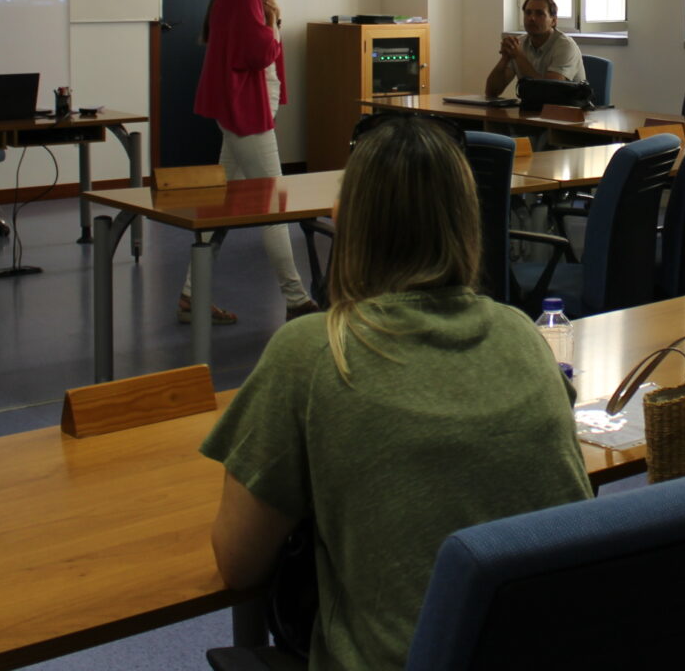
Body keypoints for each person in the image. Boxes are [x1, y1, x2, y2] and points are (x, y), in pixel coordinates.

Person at [202, 116, 591, 670]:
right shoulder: (524, 336)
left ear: (346, 219)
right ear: (467, 222)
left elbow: (238, 564)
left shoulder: (312, 352)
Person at [189, 0, 316, 324]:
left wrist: (272, 18)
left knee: (221, 206)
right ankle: (296, 298)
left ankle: (190, 295)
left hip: (249, 108)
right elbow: (259, 53)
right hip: (245, 112)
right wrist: (275, 21)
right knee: (272, 202)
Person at [483, 0, 585, 97]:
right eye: (528, 13)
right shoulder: (519, 43)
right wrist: (505, 58)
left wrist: (518, 56)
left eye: (539, 13)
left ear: (553, 21)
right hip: (531, 106)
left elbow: (549, 93)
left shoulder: (565, 46)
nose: (531, 18)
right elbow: (491, 92)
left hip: (567, 107)